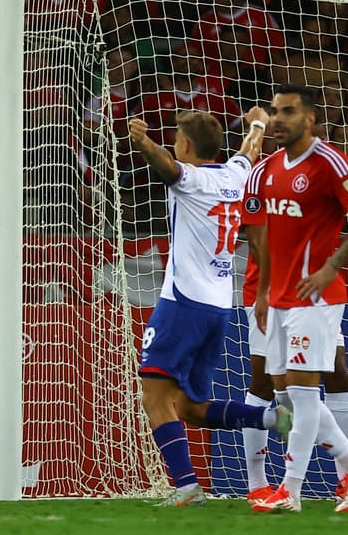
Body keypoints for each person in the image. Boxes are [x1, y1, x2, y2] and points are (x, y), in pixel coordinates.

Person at [128, 107, 292, 507]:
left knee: (153, 397)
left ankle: (186, 487)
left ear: (185, 144)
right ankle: (273, 419)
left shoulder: (193, 179)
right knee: (190, 407)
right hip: (219, 305)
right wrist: (257, 124)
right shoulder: (236, 174)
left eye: (175, 139)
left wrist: (142, 141)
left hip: (183, 301)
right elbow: (250, 150)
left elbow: (168, 169)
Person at [245, 84, 348, 513]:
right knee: (284, 395)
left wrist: (330, 267)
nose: (278, 119)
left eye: (287, 112)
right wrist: (264, 290)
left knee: (304, 397)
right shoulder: (267, 169)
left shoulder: (328, 162)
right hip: (280, 298)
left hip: (316, 299)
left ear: (309, 119)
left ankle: (292, 489)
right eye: (274, 111)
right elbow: (261, 235)